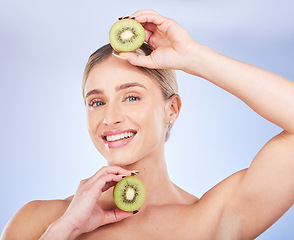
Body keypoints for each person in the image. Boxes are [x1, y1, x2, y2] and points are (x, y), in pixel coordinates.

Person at [2, 9, 294, 240]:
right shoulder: (39, 220)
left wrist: (193, 56)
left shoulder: (215, 218)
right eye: (97, 102)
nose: (109, 117)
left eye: (130, 97)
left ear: (172, 109)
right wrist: (62, 231)